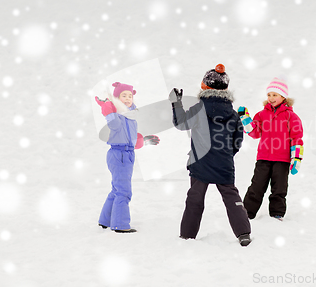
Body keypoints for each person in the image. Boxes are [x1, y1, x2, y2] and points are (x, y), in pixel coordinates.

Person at [169, 64, 252, 246]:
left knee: (195, 198)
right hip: (224, 163)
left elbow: (181, 123)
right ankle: (243, 233)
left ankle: (187, 235)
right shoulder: (232, 113)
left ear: (205, 86)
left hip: (200, 162)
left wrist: (176, 103)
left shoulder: (199, 109)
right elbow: (238, 140)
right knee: (231, 198)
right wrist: (227, 154)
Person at [95, 82, 160, 233]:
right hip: (120, 155)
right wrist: (107, 109)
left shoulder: (130, 117)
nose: (127, 98)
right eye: (123, 95)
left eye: (130, 95)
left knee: (116, 189)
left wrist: (143, 141)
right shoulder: (118, 116)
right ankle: (120, 224)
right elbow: (114, 125)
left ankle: (105, 220)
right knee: (124, 191)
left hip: (125, 154)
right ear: (117, 98)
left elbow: (130, 139)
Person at [238, 77, 304, 221]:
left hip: (282, 159)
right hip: (263, 157)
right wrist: (246, 120)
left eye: (275, 95)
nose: (271, 98)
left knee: (279, 188)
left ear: (283, 97)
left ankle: (277, 214)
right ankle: (247, 213)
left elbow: (296, 138)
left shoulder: (291, 117)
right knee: (256, 186)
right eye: (269, 95)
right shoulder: (262, 114)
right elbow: (254, 133)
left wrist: (296, 158)